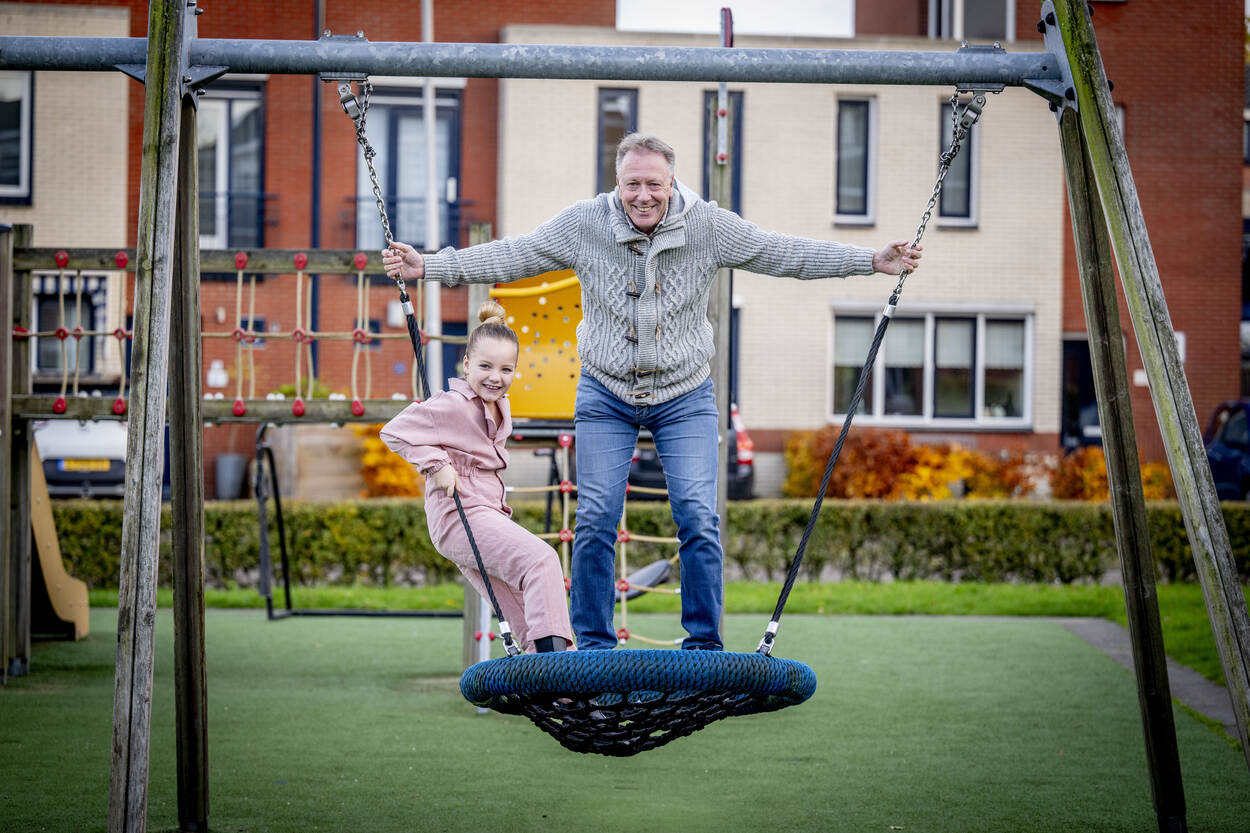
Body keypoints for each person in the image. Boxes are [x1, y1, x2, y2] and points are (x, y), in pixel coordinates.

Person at [382, 133, 921, 652]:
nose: (643, 196)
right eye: (631, 185)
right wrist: (430, 266)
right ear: (617, 183)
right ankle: (591, 646)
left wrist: (871, 261)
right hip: (605, 390)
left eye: (654, 185)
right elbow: (514, 256)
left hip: (683, 392)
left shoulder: (707, 225)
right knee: (594, 516)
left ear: (672, 182)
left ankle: (703, 645)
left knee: (696, 514)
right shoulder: (585, 223)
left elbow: (780, 252)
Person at [380, 300, 573, 653]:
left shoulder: (500, 405)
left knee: (522, 605)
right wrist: (435, 464)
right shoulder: (452, 404)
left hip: (487, 513)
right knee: (542, 560)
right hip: (460, 516)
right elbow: (394, 431)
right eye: (485, 366)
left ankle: (562, 693)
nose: (495, 377)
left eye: (505, 369)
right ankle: (560, 671)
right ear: (467, 364)